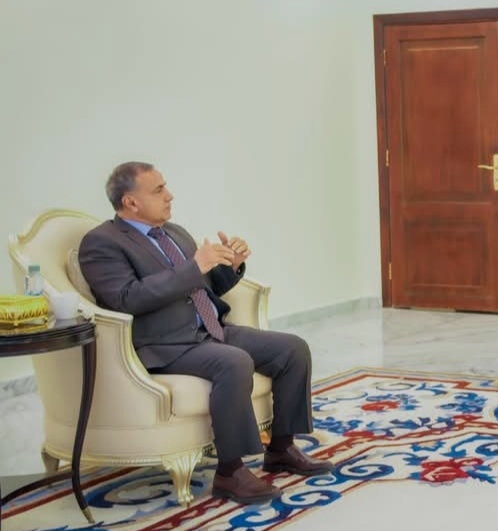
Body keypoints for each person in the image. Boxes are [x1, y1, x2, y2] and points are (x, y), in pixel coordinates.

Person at [79, 161, 332, 504]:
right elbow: (126, 298)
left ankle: (281, 448)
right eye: (159, 190)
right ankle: (230, 472)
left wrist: (231, 265)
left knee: (292, 349)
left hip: (210, 330)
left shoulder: (175, 233)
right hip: (165, 344)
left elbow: (206, 286)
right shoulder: (101, 243)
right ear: (131, 202)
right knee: (234, 362)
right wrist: (195, 265)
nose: (170, 195)